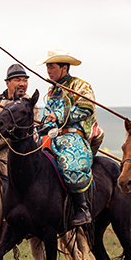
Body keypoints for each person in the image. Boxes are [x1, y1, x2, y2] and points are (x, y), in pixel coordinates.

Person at [36, 49, 104, 227]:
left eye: (52, 67)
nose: (48, 71)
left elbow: (86, 108)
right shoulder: (52, 92)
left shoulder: (80, 86)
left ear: (64, 68)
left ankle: (82, 209)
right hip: (53, 137)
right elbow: (48, 116)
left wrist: (59, 117)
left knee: (70, 163)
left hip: (73, 136)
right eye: (47, 68)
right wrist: (45, 124)